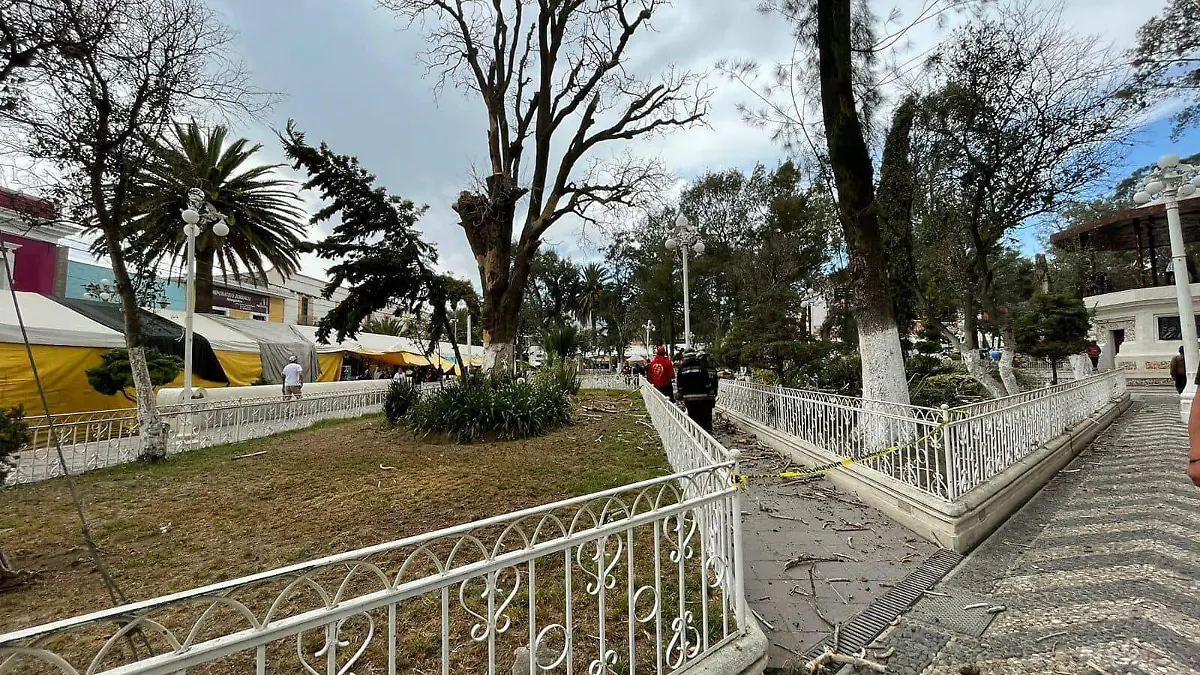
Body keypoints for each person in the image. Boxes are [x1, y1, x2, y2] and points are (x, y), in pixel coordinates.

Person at [676, 348, 718, 432]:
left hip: (689, 399)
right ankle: (706, 433)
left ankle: (695, 435)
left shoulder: (682, 369)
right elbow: (707, 382)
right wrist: (708, 389)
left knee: (693, 419)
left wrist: (681, 394)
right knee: (704, 419)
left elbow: (680, 385)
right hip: (703, 398)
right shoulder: (701, 367)